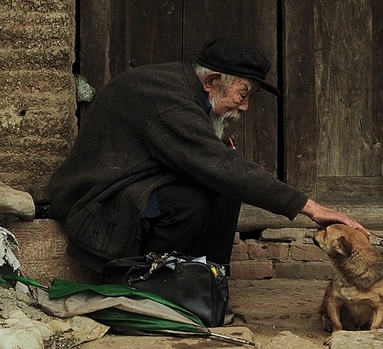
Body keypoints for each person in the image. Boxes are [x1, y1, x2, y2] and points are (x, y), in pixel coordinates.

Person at [48, 35, 366, 274]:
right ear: (214, 81)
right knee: (190, 204)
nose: (245, 107)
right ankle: (146, 285)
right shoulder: (168, 98)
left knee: (224, 190)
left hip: (135, 186)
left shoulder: (185, 89)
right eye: (243, 94)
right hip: (99, 201)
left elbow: (216, 167)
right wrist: (310, 208)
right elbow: (219, 166)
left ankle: (209, 282)